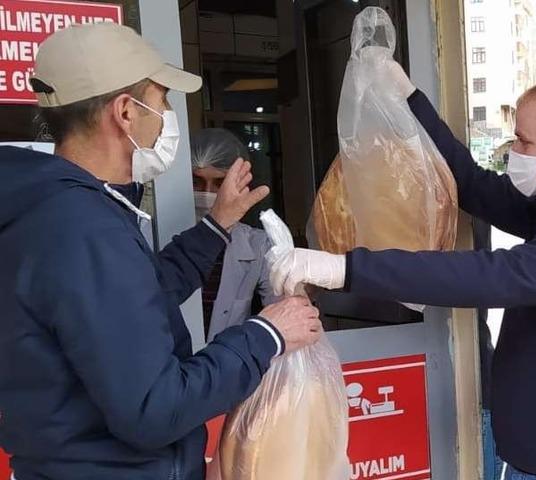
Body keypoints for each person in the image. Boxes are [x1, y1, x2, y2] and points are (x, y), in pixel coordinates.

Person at [271, 66, 536, 480]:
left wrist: (344, 268)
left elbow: (487, 276)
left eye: (525, 141)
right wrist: (410, 99)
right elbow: (472, 185)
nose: (515, 151)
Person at [0, 23, 322, 480]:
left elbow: (134, 303)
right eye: (162, 98)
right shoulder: (83, 227)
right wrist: (266, 334)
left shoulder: (62, 208)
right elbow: (154, 409)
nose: (167, 112)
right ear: (126, 113)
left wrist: (217, 224)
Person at [190, 128, 280, 341]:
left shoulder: (259, 244)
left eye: (220, 184)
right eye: (197, 182)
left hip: (227, 365)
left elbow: (281, 311)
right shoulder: (156, 237)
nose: (208, 193)